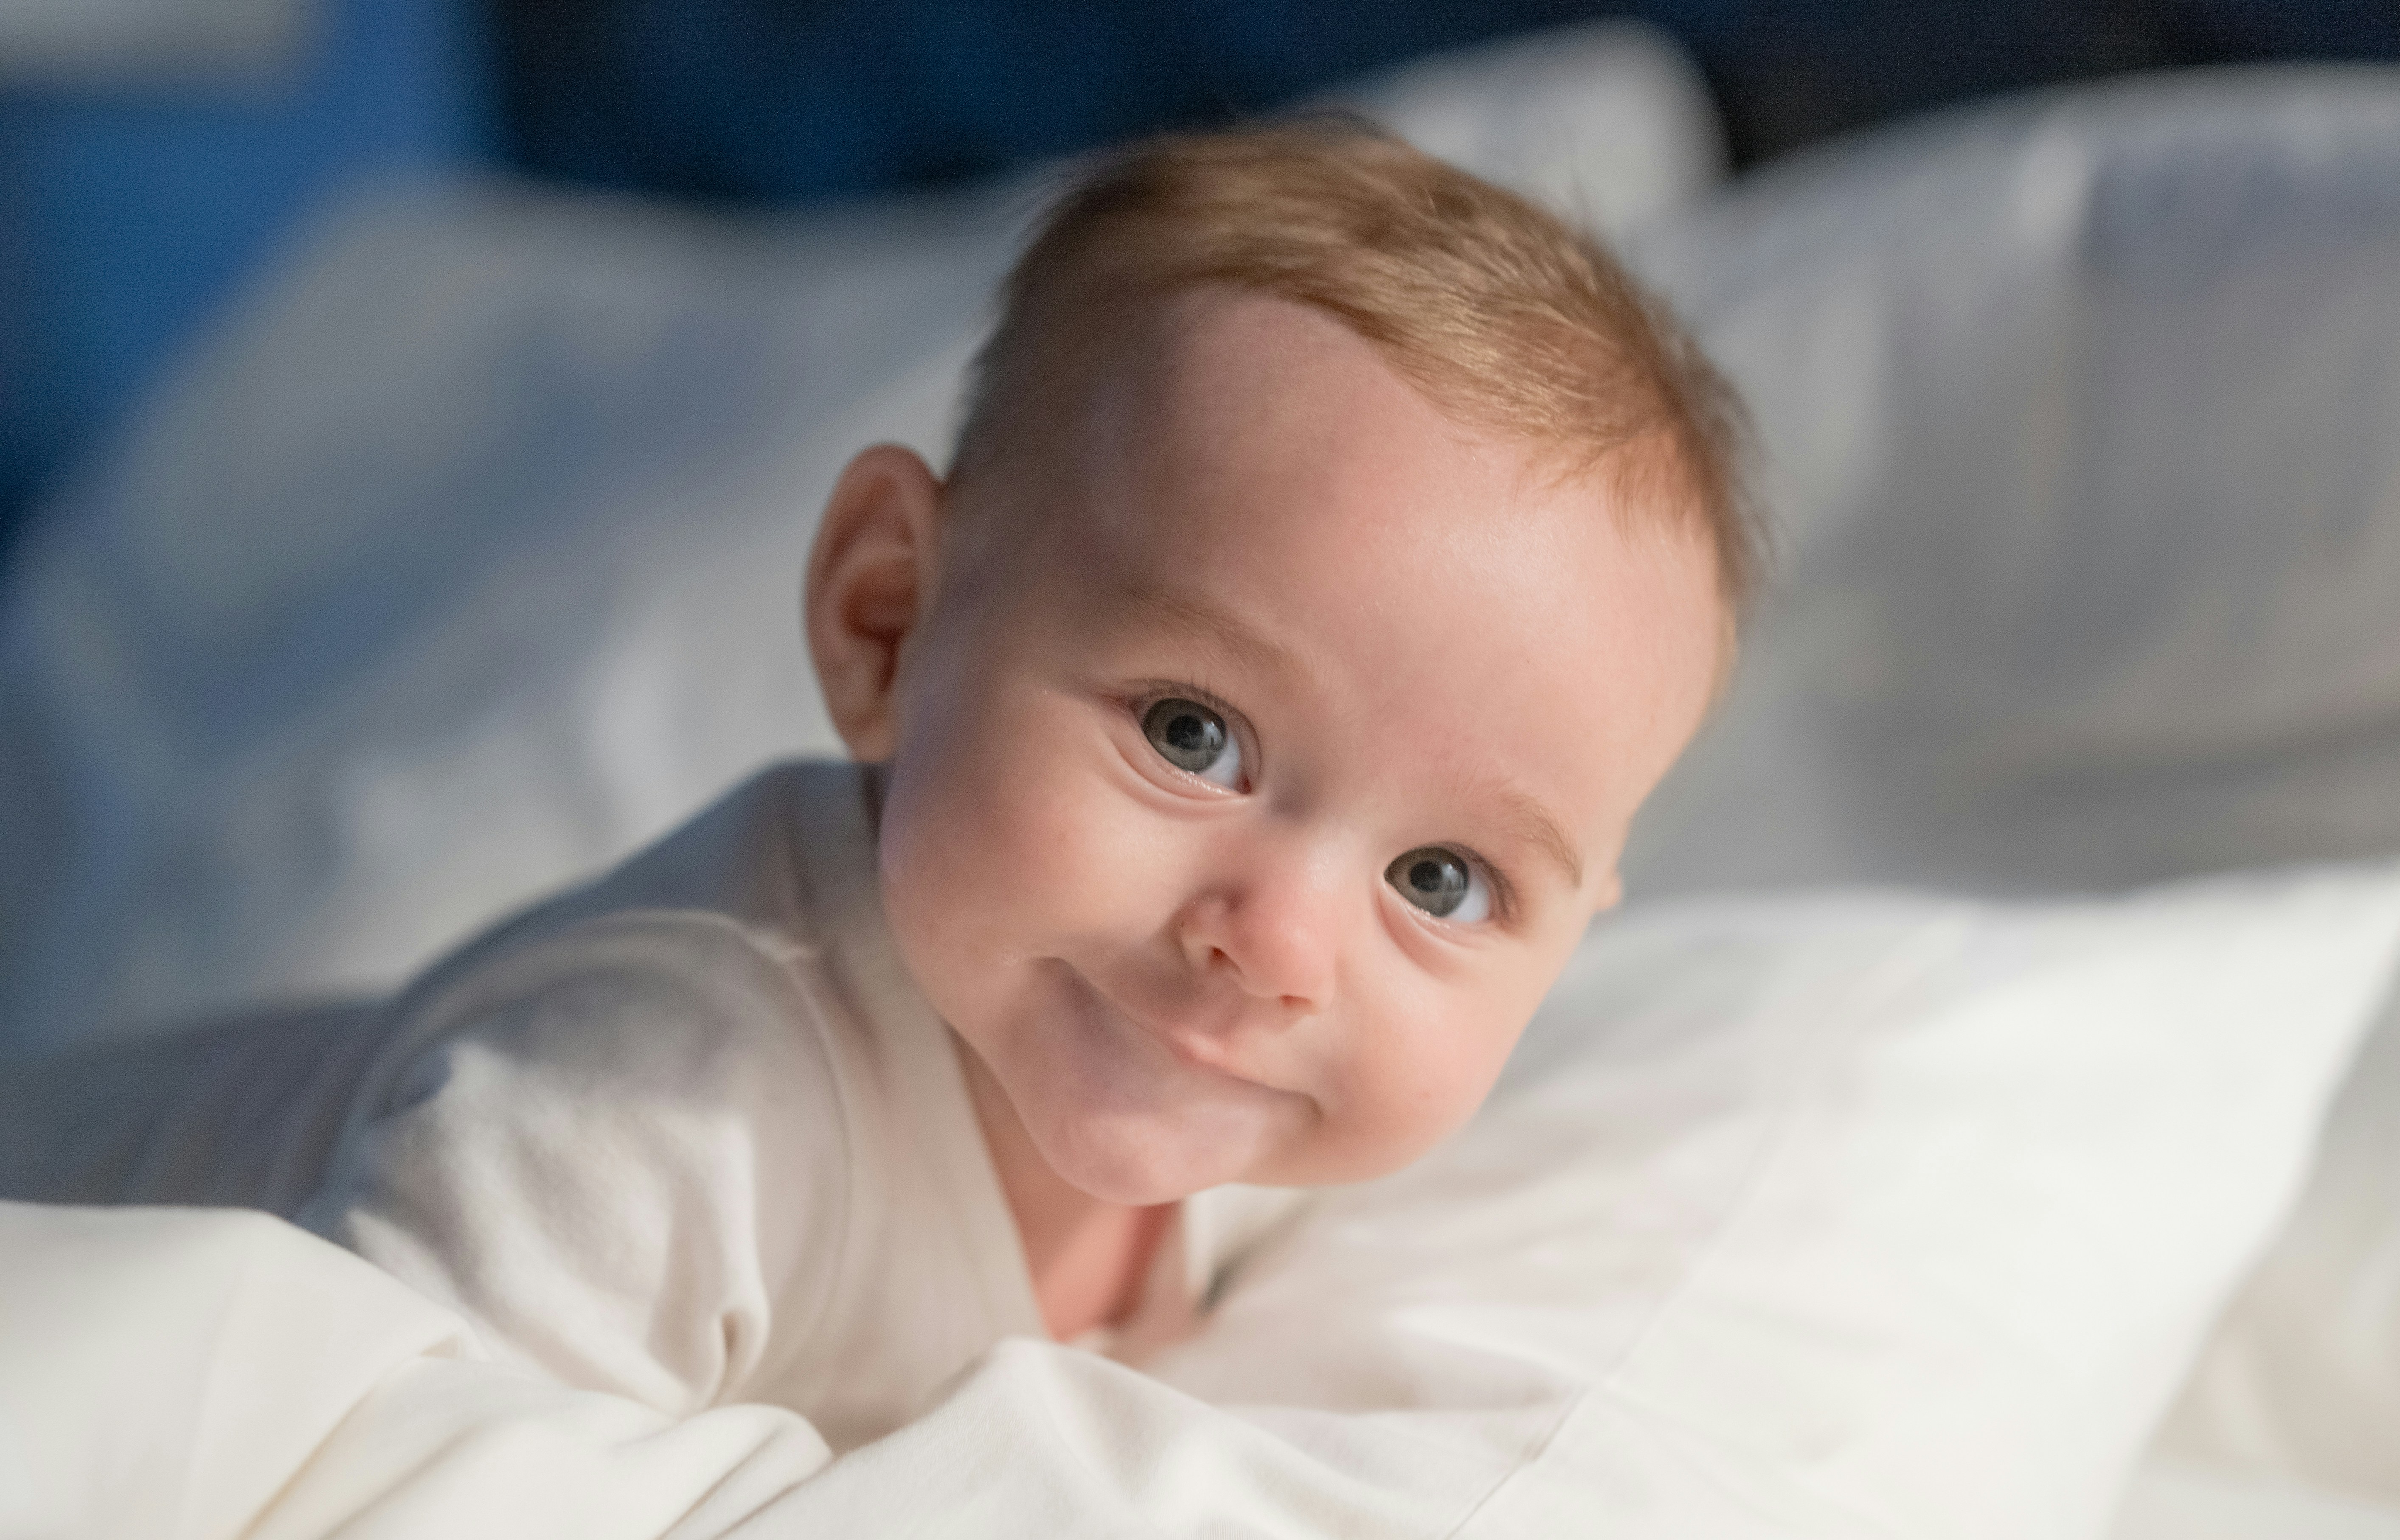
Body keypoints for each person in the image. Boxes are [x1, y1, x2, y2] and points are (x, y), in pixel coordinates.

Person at [0, 121, 1760, 1450]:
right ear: (888, 621)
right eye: (1190, 735)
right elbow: (331, 1477)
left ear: (1575, 934)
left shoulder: (1238, 1116)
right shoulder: (650, 1112)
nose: (1280, 945)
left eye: (1443, 882)